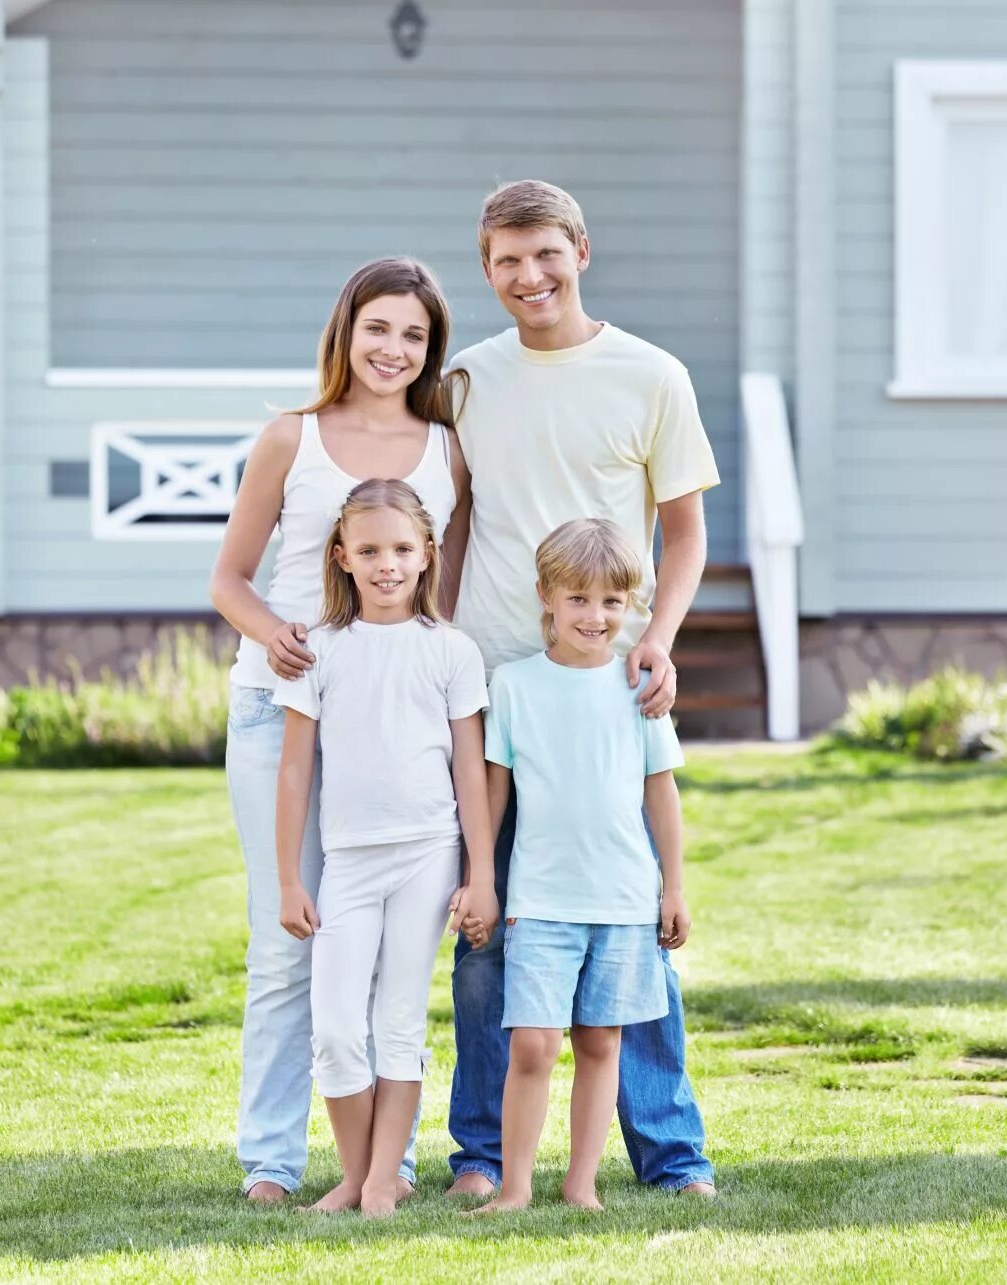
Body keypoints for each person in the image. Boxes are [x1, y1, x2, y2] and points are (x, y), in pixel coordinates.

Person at [443, 180, 719, 1199]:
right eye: (508, 261)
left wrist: (658, 635)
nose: (530, 277)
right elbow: (456, 519)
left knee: (630, 926)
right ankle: (482, 1153)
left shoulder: (651, 376)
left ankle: (670, 1152)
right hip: (496, 690)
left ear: (582, 251)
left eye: (546, 254)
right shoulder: (469, 379)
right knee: (489, 926)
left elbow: (684, 533)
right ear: (487, 269)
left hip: (609, 684)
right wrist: (437, 636)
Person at [209, 257, 483, 1203]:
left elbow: (441, 595)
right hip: (278, 710)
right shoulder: (292, 437)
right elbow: (229, 579)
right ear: (346, 331)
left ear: (429, 349)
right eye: (378, 329)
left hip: (396, 731)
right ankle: (272, 1160)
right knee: (291, 940)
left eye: (413, 335)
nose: (393, 350)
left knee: (388, 962)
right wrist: (274, 634)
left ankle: (385, 1167)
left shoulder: (448, 450)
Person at [271, 479, 494, 1217]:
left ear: (428, 555)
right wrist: (287, 882)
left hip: (429, 854)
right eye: (369, 550)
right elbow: (296, 768)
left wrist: (480, 873)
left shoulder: (452, 651)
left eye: (402, 549)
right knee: (336, 1027)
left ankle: (377, 1183)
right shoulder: (320, 650)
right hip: (349, 862)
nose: (387, 564)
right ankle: (356, 1170)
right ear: (341, 557)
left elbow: (470, 769)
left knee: (398, 1019)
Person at [468, 519, 692, 1214]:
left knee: (601, 1042)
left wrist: (673, 888)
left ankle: (582, 1185)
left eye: (612, 602)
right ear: (546, 597)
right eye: (578, 600)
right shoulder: (513, 685)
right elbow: (494, 789)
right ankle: (513, 1188)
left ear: (630, 606)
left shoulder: (641, 689)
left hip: (624, 900)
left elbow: (663, 791)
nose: (595, 617)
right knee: (534, 1043)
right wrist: (483, 875)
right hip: (539, 899)